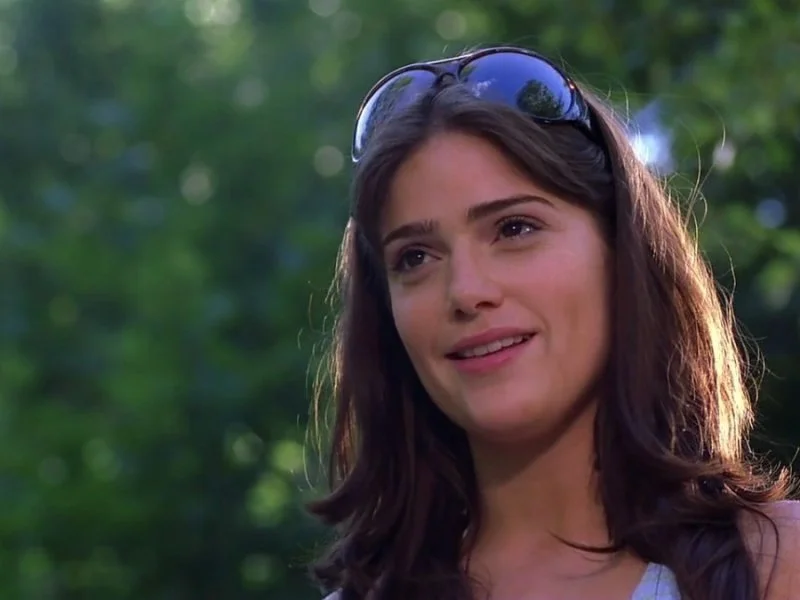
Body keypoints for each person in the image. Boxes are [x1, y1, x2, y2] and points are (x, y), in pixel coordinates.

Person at [306, 45, 800, 600]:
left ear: (620, 249)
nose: (466, 291)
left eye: (514, 228)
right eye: (415, 257)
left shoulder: (776, 566)